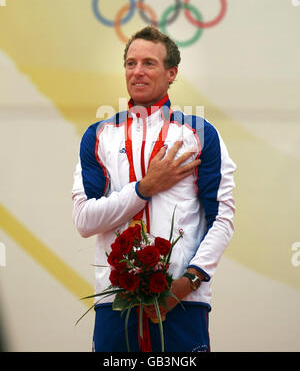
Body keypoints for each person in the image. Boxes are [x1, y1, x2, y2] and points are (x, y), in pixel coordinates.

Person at [72, 25, 236, 352]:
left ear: (171, 72)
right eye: (130, 63)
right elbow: (85, 220)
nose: (137, 72)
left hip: (182, 299)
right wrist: (145, 188)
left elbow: (222, 219)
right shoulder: (99, 135)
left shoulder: (200, 134)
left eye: (149, 63)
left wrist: (187, 282)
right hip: (115, 301)